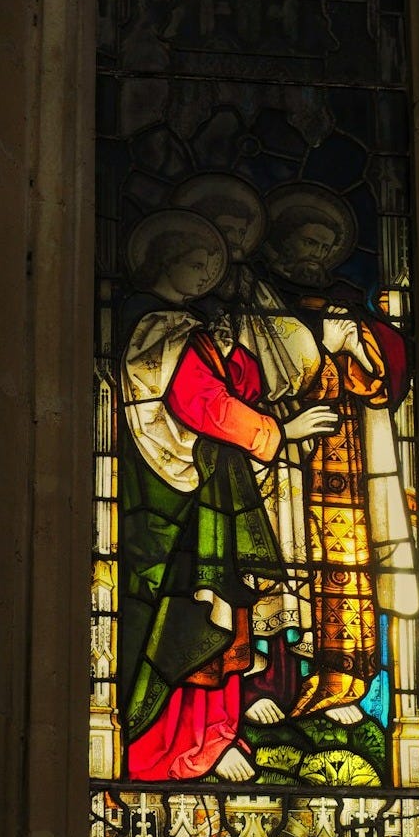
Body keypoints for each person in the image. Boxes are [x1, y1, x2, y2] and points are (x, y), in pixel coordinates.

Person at [120, 209, 337, 781]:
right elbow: (203, 404)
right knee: (193, 612)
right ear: (165, 261)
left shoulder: (187, 329)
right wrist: (277, 432)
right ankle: (185, 743)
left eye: (212, 267)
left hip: (204, 488)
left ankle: (218, 733)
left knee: (219, 608)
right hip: (180, 499)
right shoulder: (159, 331)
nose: (206, 277)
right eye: (197, 263)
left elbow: (229, 385)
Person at [262, 183, 418, 724]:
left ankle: (344, 681)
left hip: (344, 456)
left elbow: (387, 376)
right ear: (279, 248)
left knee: (347, 562)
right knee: (281, 560)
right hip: (280, 456)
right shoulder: (260, 302)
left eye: (325, 245)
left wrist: (355, 346)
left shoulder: (350, 303)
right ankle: (272, 681)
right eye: (305, 243)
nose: (315, 256)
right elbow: (253, 364)